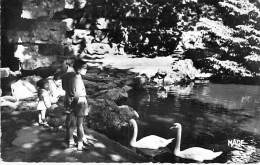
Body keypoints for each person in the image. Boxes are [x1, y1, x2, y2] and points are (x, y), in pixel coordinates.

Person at [61, 58, 89, 151]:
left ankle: (70, 141)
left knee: (71, 124)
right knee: (79, 125)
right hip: (79, 102)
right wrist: (73, 104)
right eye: (85, 68)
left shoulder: (66, 76)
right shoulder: (77, 77)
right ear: (78, 68)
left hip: (70, 100)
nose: (86, 70)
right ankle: (80, 144)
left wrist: (69, 101)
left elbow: (64, 88)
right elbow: (77, 94)